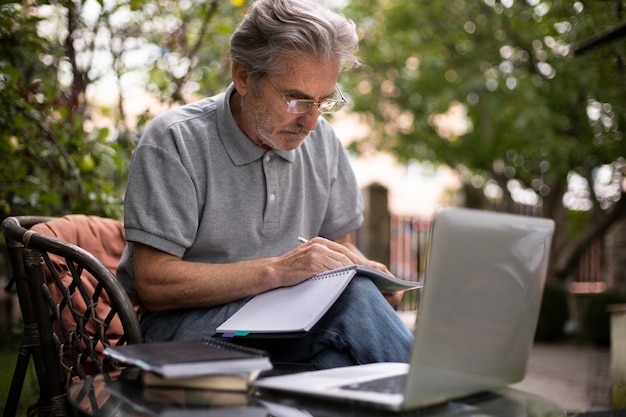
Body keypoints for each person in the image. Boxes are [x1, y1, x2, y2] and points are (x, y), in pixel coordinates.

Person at [117, 0, 413, 369]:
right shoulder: (175, 139)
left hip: (289, 326)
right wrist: (278, 271)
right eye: (297, 100)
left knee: (341, 357)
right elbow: (154, 284)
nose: (312, 122)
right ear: (243, 76)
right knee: (353, 304)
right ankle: (447, 406)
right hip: (189, 332)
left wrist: (359, 268)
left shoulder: (323, 144)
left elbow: (338, 246)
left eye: (324, 101)